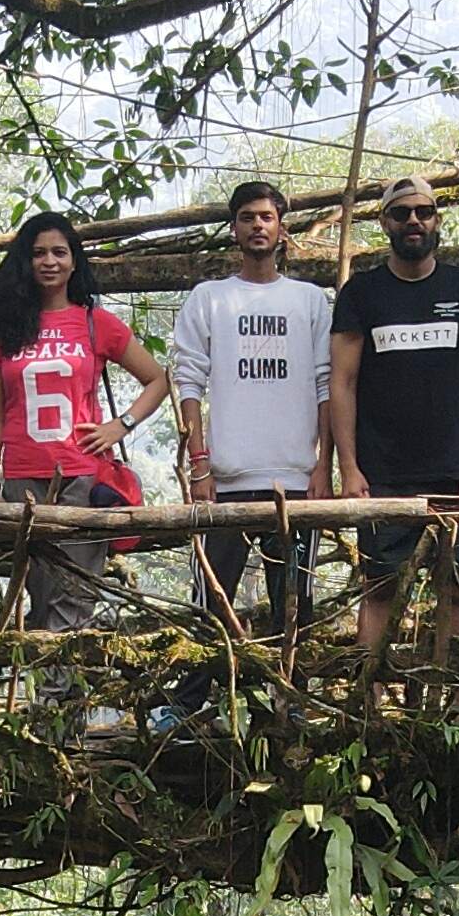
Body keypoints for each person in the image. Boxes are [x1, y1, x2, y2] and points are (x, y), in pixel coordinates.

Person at [323, 177, 459, 665]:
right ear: (385, 223)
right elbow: (341, 382)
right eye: (402, 214)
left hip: (455, 472)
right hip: (381, 476)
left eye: (423, 212)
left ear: (437, 220)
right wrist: (350, 467)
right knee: (379, 588)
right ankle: (369, 705)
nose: (413, 222)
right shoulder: (362, 292)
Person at [0, 211, 171, 632]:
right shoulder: (3, 329)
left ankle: (54, 699)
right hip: (21, 479)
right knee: (39, 594)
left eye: (59, 253)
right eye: (39, 253)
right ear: (25, 262)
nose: (49, 262)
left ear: (74, 261)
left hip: (80, 474)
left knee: (75, 596)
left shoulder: (94, 322)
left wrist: (121, 424)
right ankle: (44, 694)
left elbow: (158, 379)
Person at [172, 179, 333, 637]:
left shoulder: (309, 300)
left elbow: (327, 384)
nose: (258, 226)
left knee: (295, 607)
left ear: (282, 229)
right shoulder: (210, 297)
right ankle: (190, 706)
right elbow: (188, 380)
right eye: (248, 218)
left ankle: (290, 703)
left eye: (266, 217)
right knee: (209, 607)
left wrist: (324, 466)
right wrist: (200, 465)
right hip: (226, 479)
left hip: (296, 479)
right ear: (233, 229)